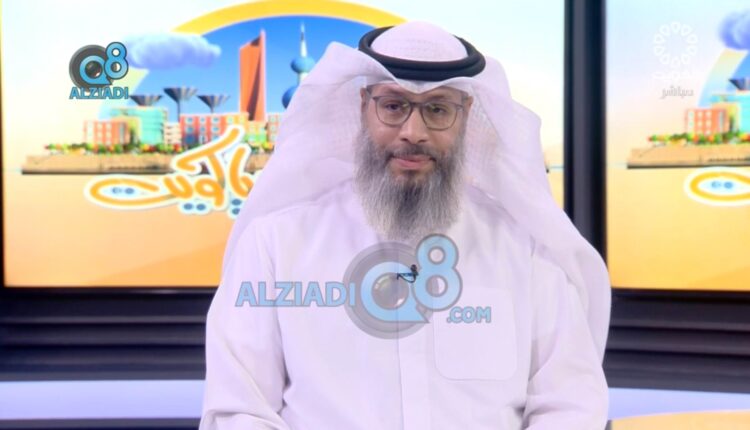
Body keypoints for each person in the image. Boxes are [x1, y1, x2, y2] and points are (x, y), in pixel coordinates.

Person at [200, 21, 611, 430]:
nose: (413, 133)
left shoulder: (526, 249)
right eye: (394, 106)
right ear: (364, 106)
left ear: (465, 115)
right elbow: (238, 411)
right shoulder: (275, 245)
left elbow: (571, 404)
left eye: (437, 109)